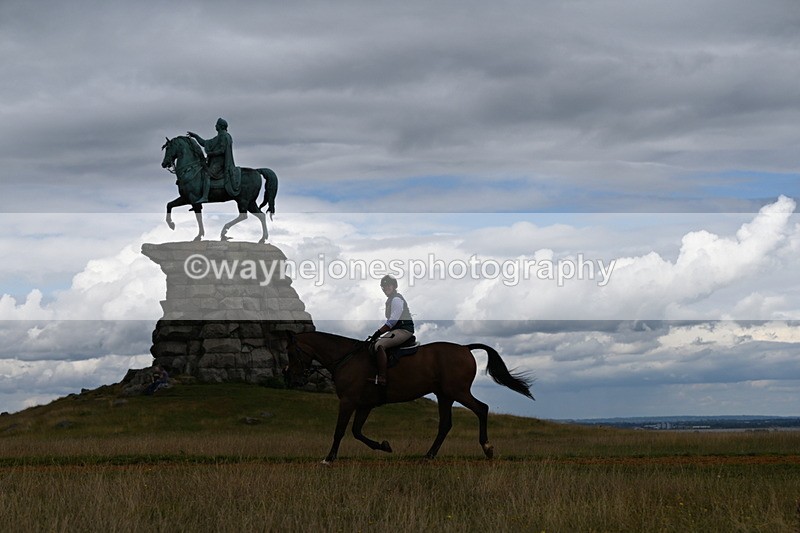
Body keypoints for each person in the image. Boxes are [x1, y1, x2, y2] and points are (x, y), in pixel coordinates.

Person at [369, 275, 414, 385]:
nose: (385, 288)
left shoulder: (396, 299)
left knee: (379, 345)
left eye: (388, 285)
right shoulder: (390, 300)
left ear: (394, 286)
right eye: (384, 286)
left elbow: (392, 321)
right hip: (397, 330)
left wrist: (378, 332)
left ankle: (382, 377)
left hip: (404, 330)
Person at [187, 118, 237, 203]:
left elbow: (222, 150)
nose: (215, 126)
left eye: (217, 125)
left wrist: (211, 154)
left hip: (220, 163)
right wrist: (196, 136)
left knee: (207, 174)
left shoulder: (224, 136)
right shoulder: (218, 137)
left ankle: (205, 197)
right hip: (214, 162)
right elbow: (204, 143)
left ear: (220, 126)